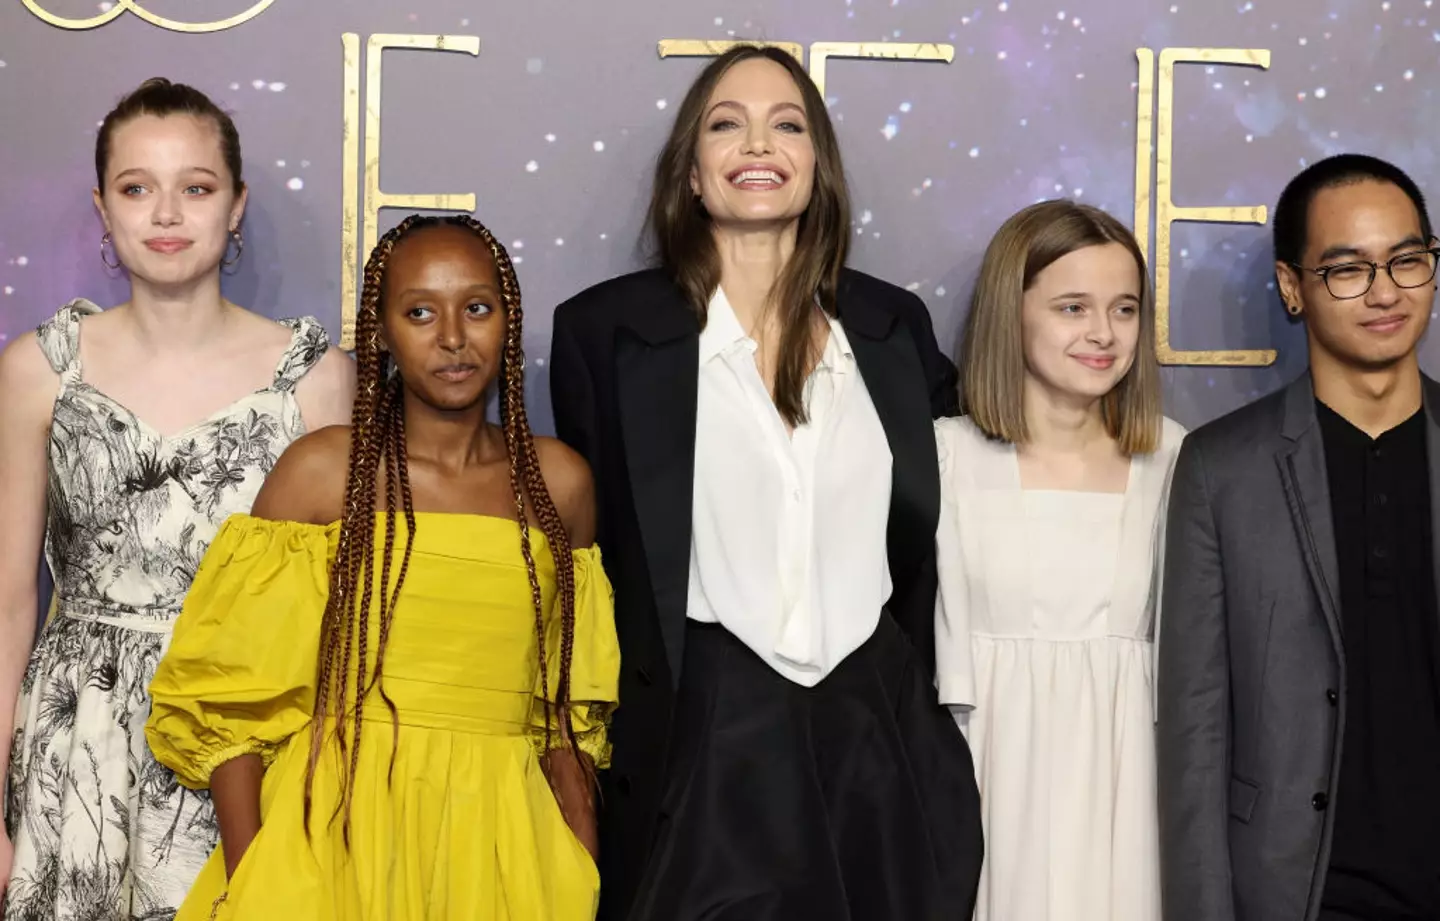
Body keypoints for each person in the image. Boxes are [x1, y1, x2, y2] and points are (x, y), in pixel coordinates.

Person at [549, 43, 983, 921]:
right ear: (692, 172)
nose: (758, 144)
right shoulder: (605, 333)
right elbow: (601, 554)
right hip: (703, 737)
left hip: (876, 736)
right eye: (727, 125)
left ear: (818, 166)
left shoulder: (892, 327)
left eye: (787, 125)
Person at [144, 214, 618, 920]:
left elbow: (567, 726)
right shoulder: (322, 473)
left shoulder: (559, 485)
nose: (452, 337)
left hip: (503, 854)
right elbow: (231, 706)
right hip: (334, 847)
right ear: (383, 333)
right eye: (420, 312)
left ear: (508, 324)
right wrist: (254, 882)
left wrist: (579, 870)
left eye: (477, 308)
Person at [0, 78, 354, 920]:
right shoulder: (40, 370)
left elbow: (340, 615)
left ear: (236, 206)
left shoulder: (313, 380)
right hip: (73, 754)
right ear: (103, 207)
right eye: (136, 188)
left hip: (247, 748)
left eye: (195, 187)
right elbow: (9, 602)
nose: (166, 213)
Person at [1159, 153, 1440, 920]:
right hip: (1297, 893)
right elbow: (1195, 730)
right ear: (1292, 286)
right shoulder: (1221, 468)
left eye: (1407, 260)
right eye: (1347, 269)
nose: (1385, 291)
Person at [934, 200, 1184, 920]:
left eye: (1124, 309)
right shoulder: (942, 458)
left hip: (1131, 789)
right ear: (1009, 313)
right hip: (985, 783)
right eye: (1073, 307)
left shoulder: (1178, 460)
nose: (1104, 333)